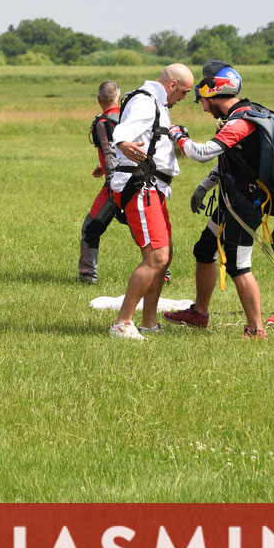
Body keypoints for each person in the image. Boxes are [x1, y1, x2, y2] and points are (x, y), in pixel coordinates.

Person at [163, 62, 274, 339]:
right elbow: (229, 160)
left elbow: (201, 152)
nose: (203, 107)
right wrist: (204, 187)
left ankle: (256, 329)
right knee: (204, 250)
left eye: (204, 100)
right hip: (230, 201)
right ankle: (199, 314)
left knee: (239, 265)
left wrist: (178, 135)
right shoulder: (238, 116)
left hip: (245, 205)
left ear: (217, 92)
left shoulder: (239, 122)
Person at [108, 63, 195, 340]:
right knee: (156, 257)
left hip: (154, 188)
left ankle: (149, 322)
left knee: (164, 258)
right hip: (142, 186)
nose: (183, 98)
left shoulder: (158, 104)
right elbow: (122, 131)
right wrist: (122, 144)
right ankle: (122, 323)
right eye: (183, 92)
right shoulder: (146, 102)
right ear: (172, 85)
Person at [78, 81, 121, 284]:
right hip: (137, 182)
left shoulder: (104, 123)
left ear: (98, 100)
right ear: (119, 98)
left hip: (117, 185)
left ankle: (88, 277)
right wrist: (102, 166)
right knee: (143, 230)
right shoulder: (129, 118)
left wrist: (113, 184)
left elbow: (109, 151)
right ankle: (162, 273)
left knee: (91, 228)